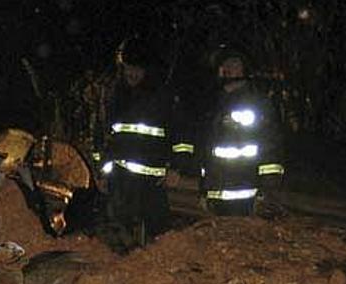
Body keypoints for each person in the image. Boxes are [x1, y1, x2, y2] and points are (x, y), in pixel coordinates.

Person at [99, 36, 189, 247]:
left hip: (152, 183)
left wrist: (177, 168)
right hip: (121, 181)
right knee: (119, 238)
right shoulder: (117, 96)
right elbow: (108, 139)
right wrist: (103, 172)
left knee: (156, 240)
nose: (131, 73)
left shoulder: (163, 97)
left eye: (137, 68)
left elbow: (181, 136)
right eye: (128, 67)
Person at [198, 46, 285, 215]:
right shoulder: (215, 103)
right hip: (216, 197)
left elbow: (271, 148)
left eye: (234, 63)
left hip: (247, 198)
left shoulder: (257, 102)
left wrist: (267, 192)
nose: (228, 68)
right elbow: (208, 152)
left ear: (244, 67)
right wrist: (204, 191)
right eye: (225, 64)